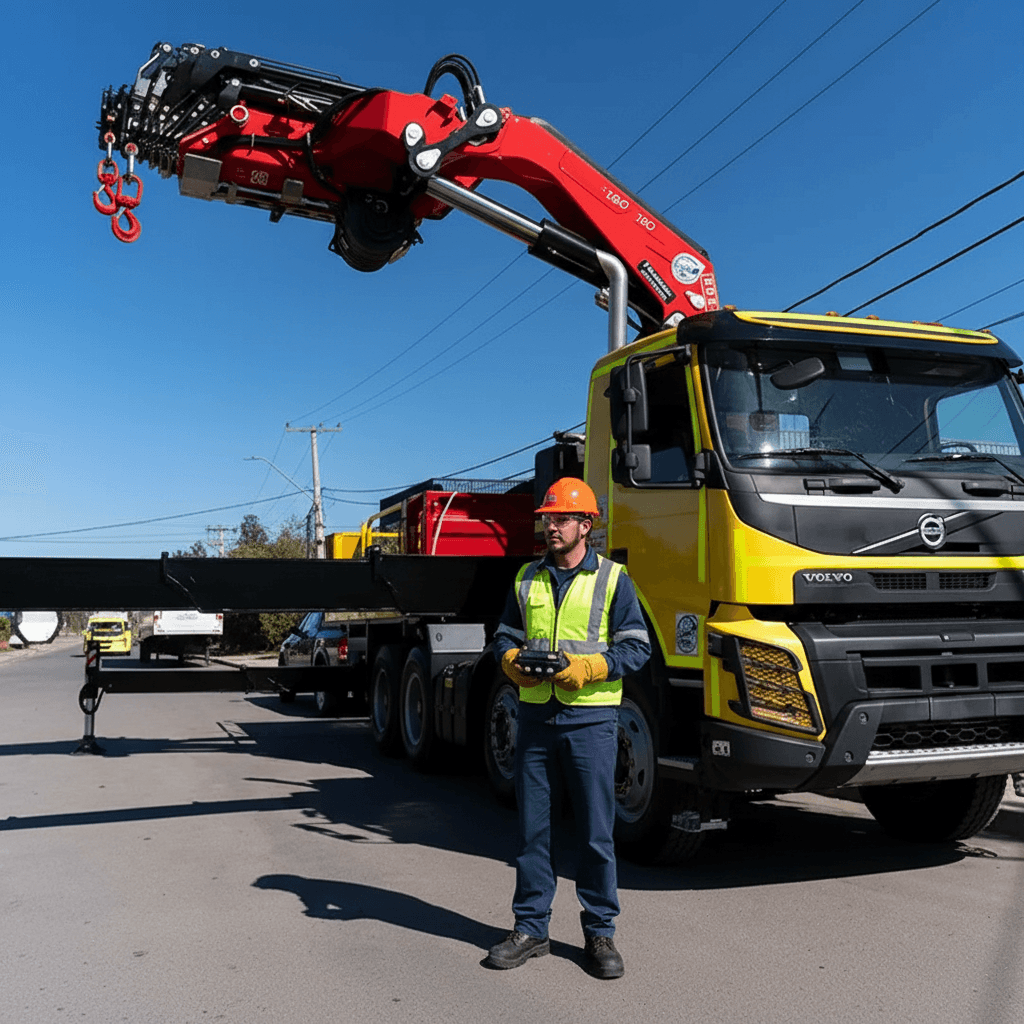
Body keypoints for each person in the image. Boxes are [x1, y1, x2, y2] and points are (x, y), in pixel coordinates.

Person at [486, 477, 651, 979]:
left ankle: (600, 932)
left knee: (596, 833)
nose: (550, 526)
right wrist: (511, 660)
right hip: (535, 719)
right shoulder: (526, 577)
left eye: (560, 519)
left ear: (586, 525)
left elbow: (637, 647)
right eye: (547, 518)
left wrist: (590, 669)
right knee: (533, 833)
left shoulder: (614, 580)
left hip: (591, 721)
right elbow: (505, 636)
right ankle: (531, 929)